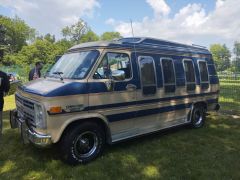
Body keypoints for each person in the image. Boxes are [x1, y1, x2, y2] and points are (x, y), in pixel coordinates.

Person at [0, 70, 10, 136]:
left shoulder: (3, 74)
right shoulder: (3, 74)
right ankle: (0, 131)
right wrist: (5, 92)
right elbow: (7, 87)